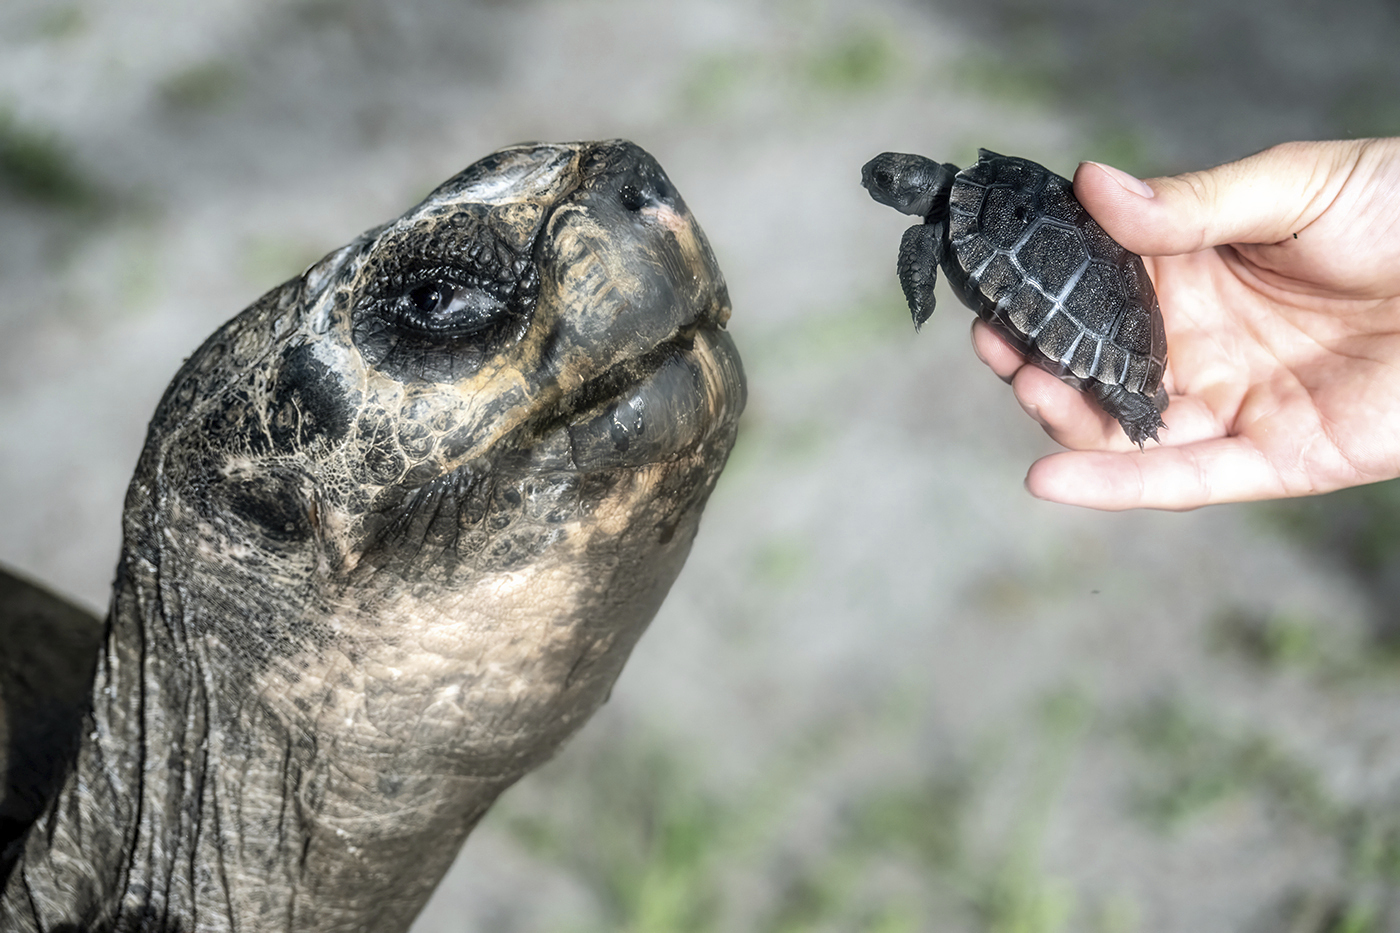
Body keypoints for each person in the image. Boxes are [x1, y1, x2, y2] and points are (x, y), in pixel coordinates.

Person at [969, 138, 1400, 512]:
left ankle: (1138, 405)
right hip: (1112, 323)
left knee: (1110, 390)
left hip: (1102, 322)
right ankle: (1138, 396)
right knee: (1093, 386)